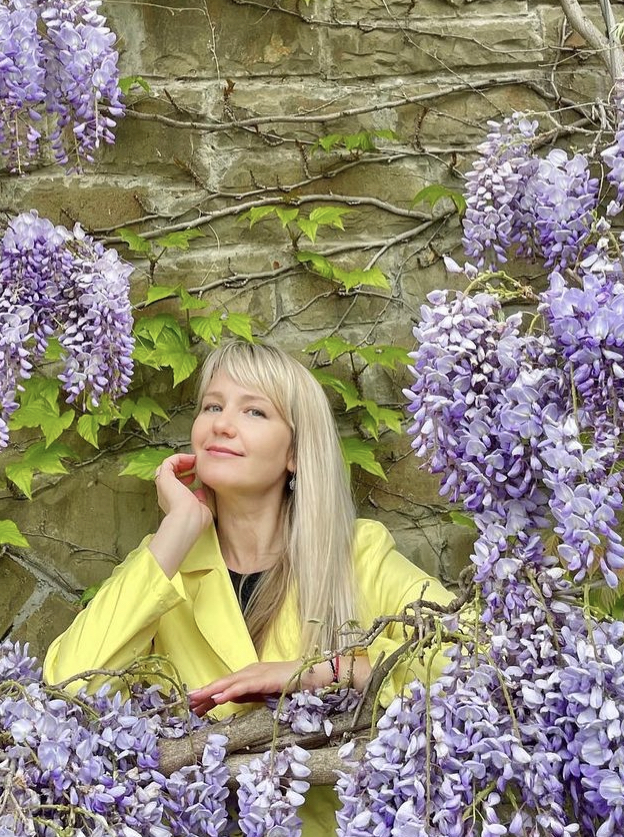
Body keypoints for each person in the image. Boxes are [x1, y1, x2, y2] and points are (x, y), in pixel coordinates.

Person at [42, 339, 453, 835]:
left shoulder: (354, 555)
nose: (221, 424)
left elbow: (470, 655)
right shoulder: (166, 562)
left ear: (295, 453)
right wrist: (179, 527)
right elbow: (66, 690)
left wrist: (328, 671)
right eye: (212, 406)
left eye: (254, 411)